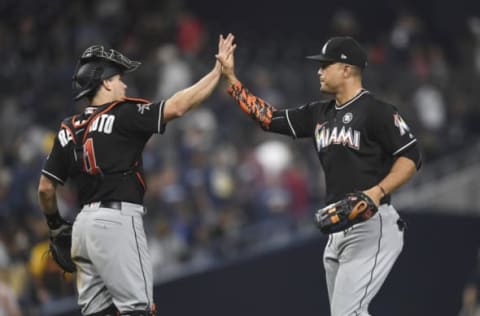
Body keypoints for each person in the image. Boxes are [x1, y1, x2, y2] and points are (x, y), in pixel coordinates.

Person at [216, 36, 422, 316]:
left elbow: (411, 157)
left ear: (347, 69)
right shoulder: (319, 113)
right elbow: (268, 118)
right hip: (338, 227)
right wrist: (231, 79)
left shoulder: (377, 111)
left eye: (326, 65)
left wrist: (376, 192)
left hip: (373, 224)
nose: (319, 71)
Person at [37, 34, 236, 316]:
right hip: (116, 221)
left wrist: (56, 225)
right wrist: (218, 72)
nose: (124, 84)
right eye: (119, 78)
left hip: (82, 228)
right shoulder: (123, 113)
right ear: (105, 82)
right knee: (138, 310)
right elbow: (178, 106)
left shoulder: (68, 128)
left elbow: (46, 188)